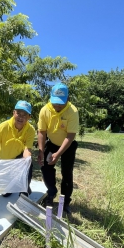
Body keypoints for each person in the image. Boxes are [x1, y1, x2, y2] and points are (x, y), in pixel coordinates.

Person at [37, 83, 79, 214]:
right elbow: (42, 132)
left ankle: (65, 201)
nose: (58, 106)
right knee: (45, 167)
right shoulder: (45, 110)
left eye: (61, 103)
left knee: (67, 173)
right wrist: (41, 151)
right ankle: (51, 193)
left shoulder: (73, 111)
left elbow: (70, 135)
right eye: (55, 102)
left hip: (68, 145)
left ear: (68, 98)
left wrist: (58, 154)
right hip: (52, 143)